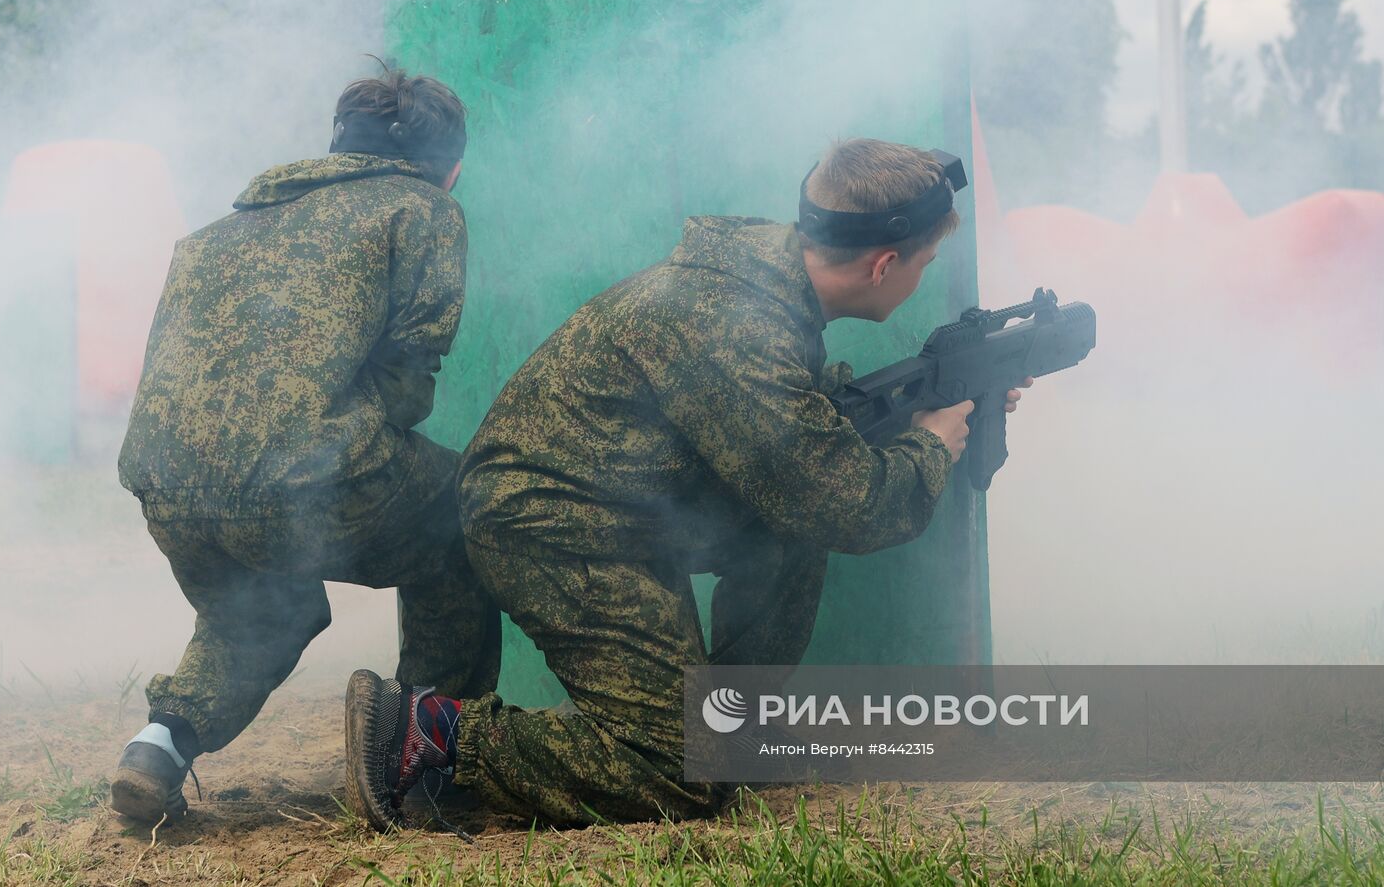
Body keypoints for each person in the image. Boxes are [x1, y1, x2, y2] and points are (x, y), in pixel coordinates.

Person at [345, 137, 1028, 828]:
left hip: (615, 504)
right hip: (548, 520)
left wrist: (925, 403)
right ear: (884, 264)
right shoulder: (742, 329)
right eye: (925, 261)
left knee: (789, 515)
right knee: (676, 772)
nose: (923, 272)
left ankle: (731, 728)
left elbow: (798, 430)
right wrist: (930, 445)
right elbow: (849, 504)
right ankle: (426, 733)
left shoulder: (766, 275)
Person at [109, 66, 500, 825]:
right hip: (295, 481)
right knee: (466, 512)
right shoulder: (422, 209)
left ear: (332, 148)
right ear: (450, 168)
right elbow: (410, 373)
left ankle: (156, 745)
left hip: (166, 486)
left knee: (264, 608)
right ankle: (418, 757)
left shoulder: (213, 233)